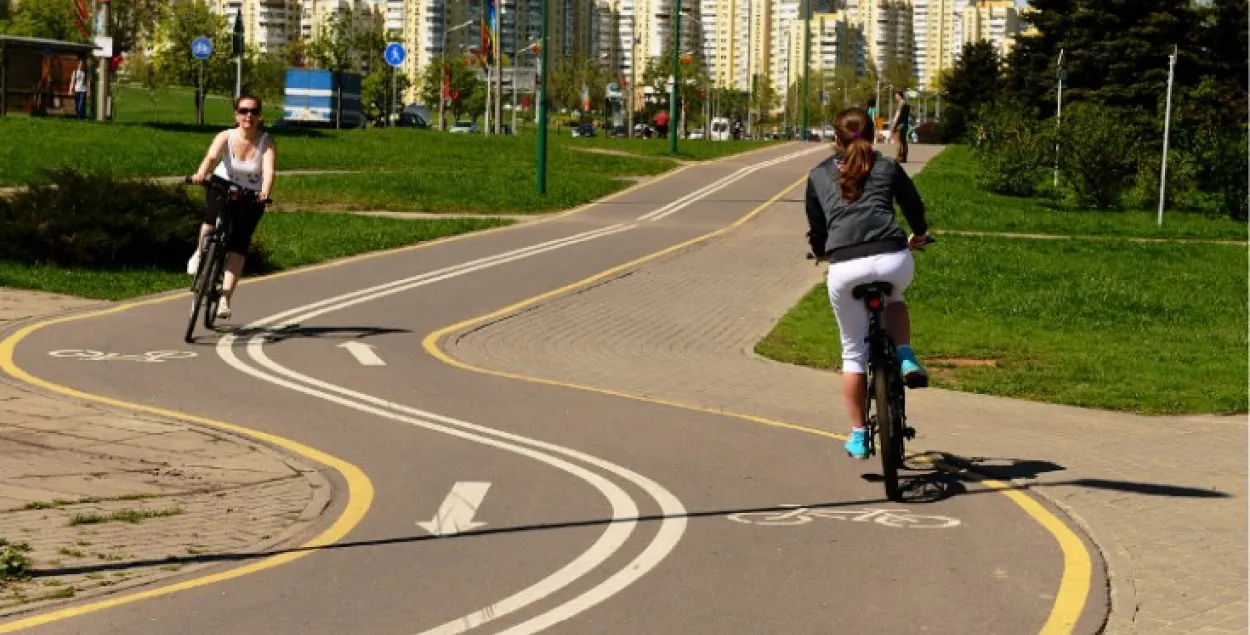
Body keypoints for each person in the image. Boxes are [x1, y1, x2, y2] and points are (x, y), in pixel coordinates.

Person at [803, 106, 930, 461]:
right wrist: (919, 234)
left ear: (835, 139)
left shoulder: (818, 174)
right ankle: (904, 356)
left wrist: (820, 252)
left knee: (853, 353)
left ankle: (859, 435)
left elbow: (817, 227)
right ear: (873, 136)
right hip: (892, 257)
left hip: (845, 266)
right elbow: (913, 205)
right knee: (896, 298)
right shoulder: (888, 166)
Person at [188, 95, 276, 321]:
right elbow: (211, 157)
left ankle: (225, 298)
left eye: (254, 112)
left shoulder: (266, 141)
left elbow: (268, 171)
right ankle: (200, 253)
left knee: (238, 244)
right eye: (244, 111)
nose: (249, 116)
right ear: (236, 115)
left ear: (260, 116)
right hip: (223, 183)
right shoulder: (226, 136)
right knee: (210, 220)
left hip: (251, 193)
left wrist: (265, 192)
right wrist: (201, 174)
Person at [889, 90, 911, 163]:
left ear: (899, 96)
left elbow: (897, 115)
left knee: (898, 141)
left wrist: (893, 125)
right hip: (905, 124)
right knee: (904, 141)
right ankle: (904, 157)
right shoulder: (907, 105)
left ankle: (897, 157)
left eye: (896, 96)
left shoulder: (900, 104)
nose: (895, 97)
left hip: (899, 125)